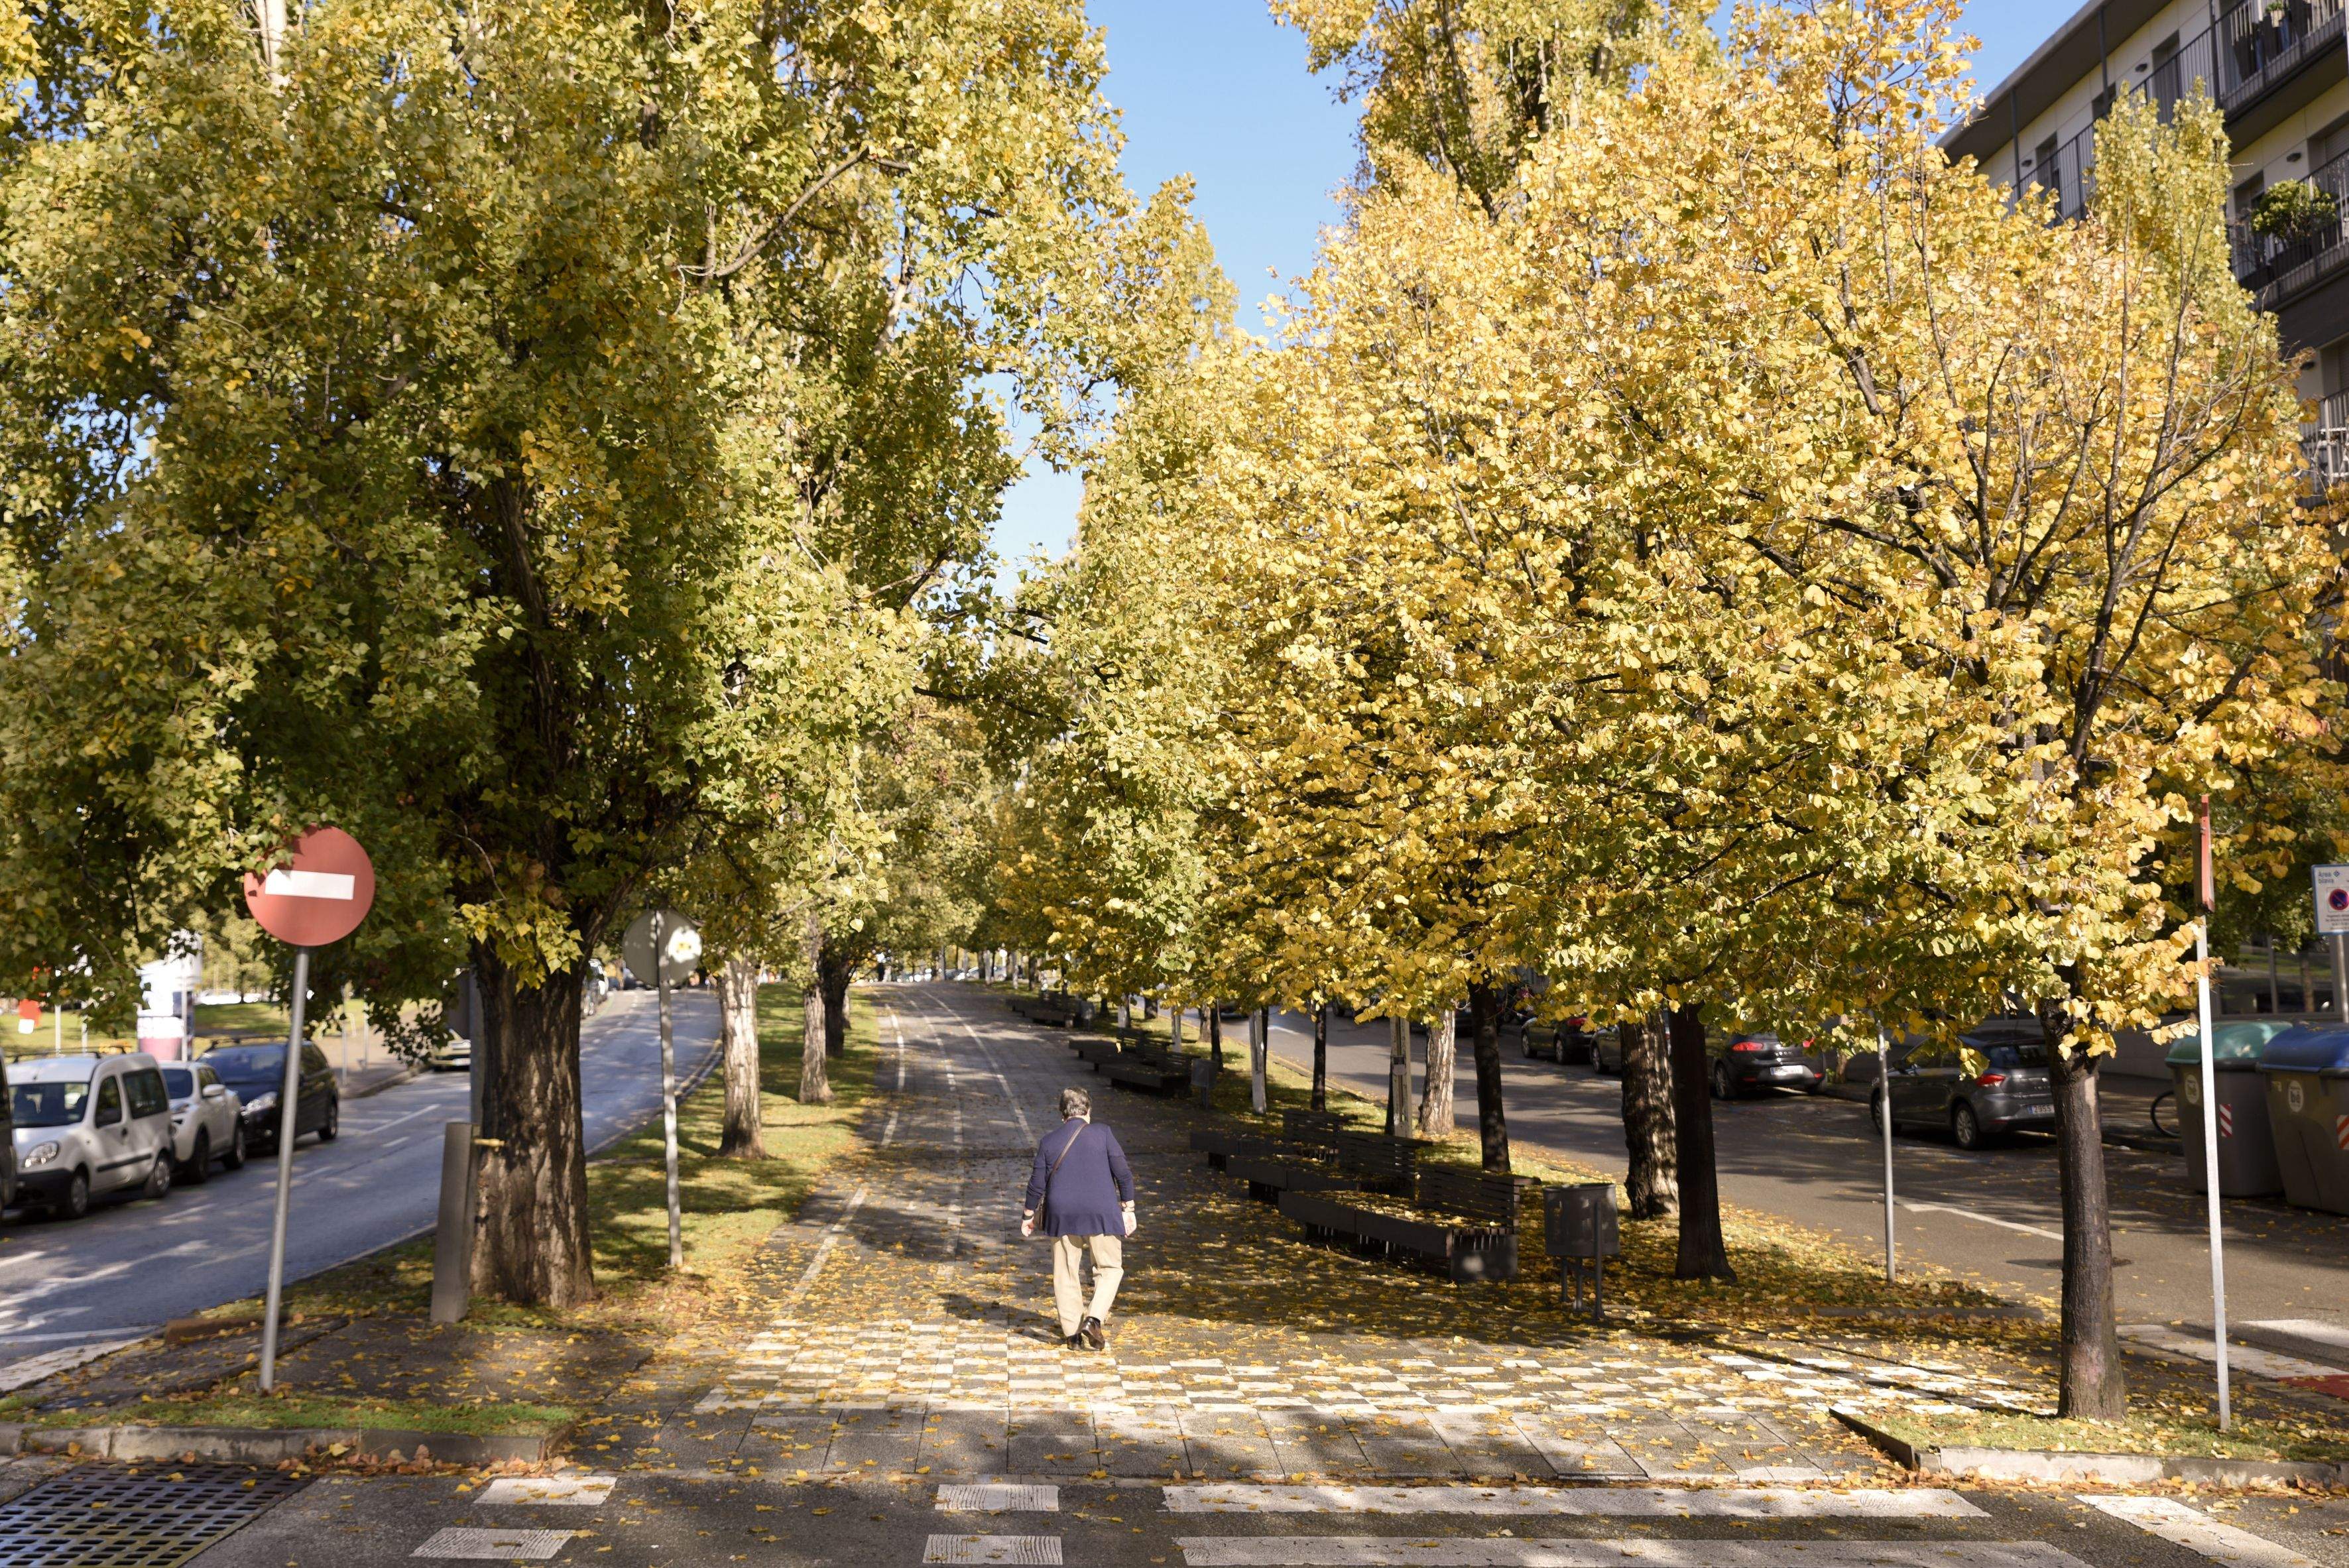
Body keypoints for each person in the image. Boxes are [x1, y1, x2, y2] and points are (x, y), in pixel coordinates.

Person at [1020, 1086, 1136, 1351]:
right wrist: (1128, 1209)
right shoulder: (1103, 1134)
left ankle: (1072, 1335)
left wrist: (1028, 1215)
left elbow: (1036, 1183)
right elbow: (1124, 1174)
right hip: (1102, 1213)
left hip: (1061, 1215)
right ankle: (1093, 1319)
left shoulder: (1049, 1141)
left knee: (1065, 1273)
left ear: (1062, 1114)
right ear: (1089, 1110)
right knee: (1109, 1269)